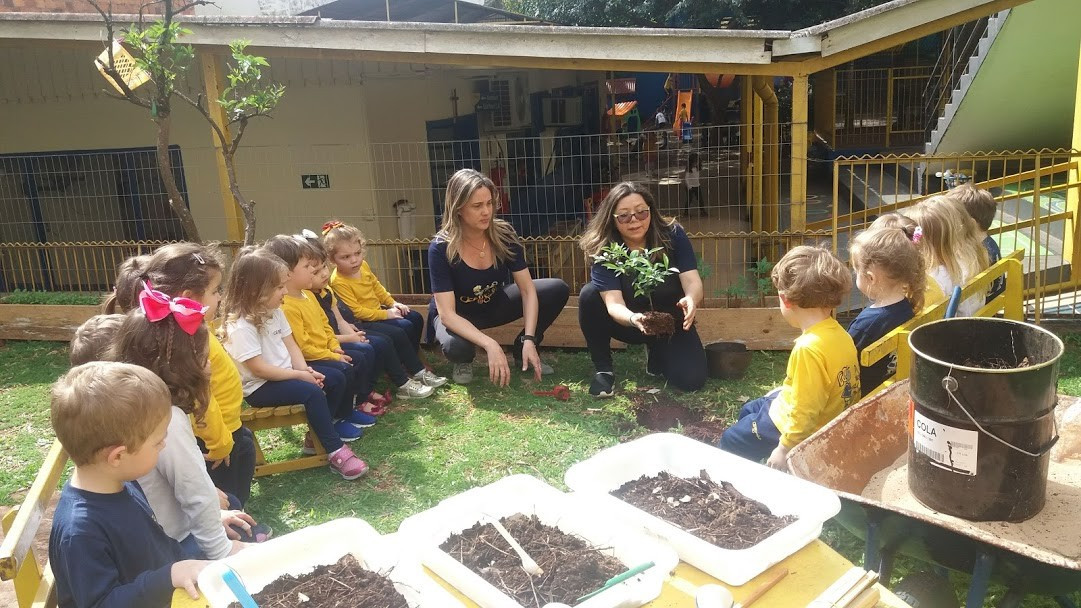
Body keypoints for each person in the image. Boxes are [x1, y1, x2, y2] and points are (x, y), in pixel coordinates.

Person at [102, 245, 258, 510]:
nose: (220, 297)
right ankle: (233, 523)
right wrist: (220, 443)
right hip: (215, 440)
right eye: (215, 291)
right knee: (225, 501)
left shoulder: (183, 329)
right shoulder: (188, 340)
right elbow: (199, 399)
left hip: (221, 428)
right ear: (189, 297)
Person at [49, 361, 210, 607]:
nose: (164, 446)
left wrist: (180, 567)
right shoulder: (80, 532)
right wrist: (166, 578)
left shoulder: (124, 484)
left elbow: (156, 545)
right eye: (158, 442)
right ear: (118, 456)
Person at [110, 289, 250, 561]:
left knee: (231, 503)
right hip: (171, 542)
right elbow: (195, 493)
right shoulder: (168, 419)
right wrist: (222, 550)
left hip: (156, 529)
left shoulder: (132, 405)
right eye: (204, 358)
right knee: (239, 523)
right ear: (181, 366)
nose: (210, 366)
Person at [219, 248, 368, 480]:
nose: (285, 291)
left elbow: (291, 345)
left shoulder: (275, 311)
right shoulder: (241, 326)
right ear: (257, 290)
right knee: (311, 391)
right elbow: (259, 369)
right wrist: (300, 376)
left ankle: (315, 437)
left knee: (334, 378)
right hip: (260, 387)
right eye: (279, 287)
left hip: (286, 374)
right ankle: (335, 450)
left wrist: (304, 369)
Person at [718, 246, 861, 470]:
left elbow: (805, 412)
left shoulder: (808, 349)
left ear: (785, 300)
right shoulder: (840, 334)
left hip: (792, 428)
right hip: (819, 414)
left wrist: (785, 448)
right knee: (748, 410)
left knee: (731, 439)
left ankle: (734, 474)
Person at [428, 168, 570, 386]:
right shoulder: (440, 247)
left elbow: (527, 290)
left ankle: (522, 348)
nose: (486, 211)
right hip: (458, 314)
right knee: (456, 347)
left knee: (556, 289)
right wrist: (490, 344)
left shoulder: (504, 235)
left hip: (493, 303)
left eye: (489, 203)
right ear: (458, 208)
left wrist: (530, 338)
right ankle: (464, 360)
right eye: (477, 206)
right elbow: (447, 315)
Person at [577, 181, 706, 397]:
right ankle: (604, 370)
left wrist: (691, 299)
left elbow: (692, 280)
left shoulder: (672, 234)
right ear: (612, 219)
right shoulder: (604, 249)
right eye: (624, 216)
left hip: (669, 321)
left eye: (641, 212)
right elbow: (613, 303)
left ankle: (657, 352)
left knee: (691, 380)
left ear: (651, 211)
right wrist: (634, 319)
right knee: (590, 295)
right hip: (629, 322)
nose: (634, 220)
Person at [262, 235, 379, 427]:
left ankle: (349, 410)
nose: (313, 271)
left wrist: (334, 347)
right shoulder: (287, 306)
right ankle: (336, 419)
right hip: (310, 358)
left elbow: (325, 325)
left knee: (357, 358)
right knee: (342, 371)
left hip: (325, 350)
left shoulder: (308, 295)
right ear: (287, 273)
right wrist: (332, 355)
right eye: (307, 267)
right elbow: (304, 346)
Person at [324, 220, 445, 397]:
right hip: (363, 320)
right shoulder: (338, 281)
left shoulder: (363, 266)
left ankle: (407, 361)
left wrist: (392, 303)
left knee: (414, 317)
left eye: (357, 253)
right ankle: (415, 370)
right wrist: (387, 314)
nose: (354, 260)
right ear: (332, 259)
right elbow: (357, 311)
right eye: (346, 257)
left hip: (378, 311)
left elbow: (377, 287)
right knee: (401, 328)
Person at [847, 225, 925, 393]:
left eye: (856, 270)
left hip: (865, 395)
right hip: (893, 387)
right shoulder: (908, 307)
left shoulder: (865, 325)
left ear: (871, 278)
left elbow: (844, 364)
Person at [905, 197, 989, 316]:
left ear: (922, 241)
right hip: (973, 319)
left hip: (956, 326)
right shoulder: (970, 258)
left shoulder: (934, 277)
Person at [949, 182, 1004, 301]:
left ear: (970, 223)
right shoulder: (989, 243)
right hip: (990, 305)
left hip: (977, 308)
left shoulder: (972, 254)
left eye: (952, 219)